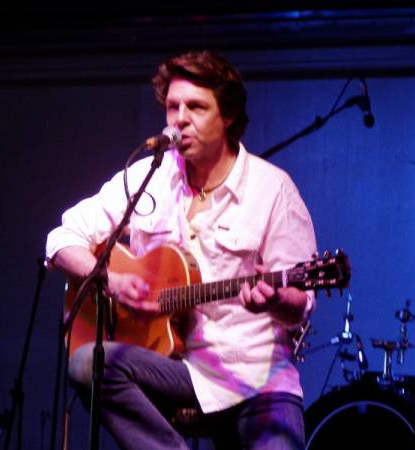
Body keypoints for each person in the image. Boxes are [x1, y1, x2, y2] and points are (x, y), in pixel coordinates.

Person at [45, 50, 317, 450]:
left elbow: (300, 303)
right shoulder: (146, 178)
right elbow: (61, 240)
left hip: (256, 378)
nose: (180, 119)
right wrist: (112, 282)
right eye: (173, 107)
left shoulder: (273, 190)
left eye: (196, 107)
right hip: (178, 369)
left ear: (226, 116)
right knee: (87, 361)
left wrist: (275, 299)